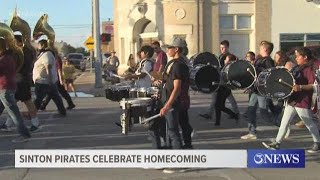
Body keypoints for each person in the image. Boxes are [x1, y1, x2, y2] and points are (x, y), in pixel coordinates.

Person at [262, 47, 320, 153]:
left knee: (309, 123)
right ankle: (277, 143)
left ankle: (317, 142)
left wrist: (300, 87)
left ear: (305, 57)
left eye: (298, 56)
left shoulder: (310, 69)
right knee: (284, 122)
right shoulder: (298, 67)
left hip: (302, 100)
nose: (296, 58)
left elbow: (314, 86)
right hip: (292, 99)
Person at [157, 37, 189, 173]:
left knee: (173, 132)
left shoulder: (177, 65)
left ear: (176, 49)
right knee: (173, 131)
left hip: (173, 103)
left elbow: (177, 88)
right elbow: (171, 82)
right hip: (173, 103)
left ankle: (178, 164)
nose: (167, 50)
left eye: (170, 47)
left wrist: (167, 105)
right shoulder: (176, 63)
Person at [0, 35, 40, 132]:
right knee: (12, 105)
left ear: (17, 42)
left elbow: (21, 66)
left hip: (21, 80)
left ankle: (35, 124)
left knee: (27, 102)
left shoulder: (23, 52)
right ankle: (8, 124)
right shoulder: (23, 51)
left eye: (12, 42)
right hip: (19, 80)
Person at [241, 40, 275, 140]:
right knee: (251, 110)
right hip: (255, 90)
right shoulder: (260, 60)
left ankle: (282, 124)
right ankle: (252, 132)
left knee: (264, 113)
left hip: (262, 90)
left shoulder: (268, 61)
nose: (259, 49)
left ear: (265, 49)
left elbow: (269, 75)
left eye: (260, 48)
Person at [0, 37, 31, 142]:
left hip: (5, 88)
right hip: (7, 87)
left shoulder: (4, 59)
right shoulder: (9, 57)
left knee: (14, 114)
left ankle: (24, 134)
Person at [199, 40, 239, 119]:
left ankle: (236, 112)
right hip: (219, 78)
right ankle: (210, 113)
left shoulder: (231, 57)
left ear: (227, 47)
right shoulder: (220, 56)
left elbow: (234, 68)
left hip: (226, 79)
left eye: (224, 48)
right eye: (221, 48)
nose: (222, 49)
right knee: (217, 97)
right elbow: (218, 66)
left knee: (228, 96)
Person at [33, 39, 66, 116]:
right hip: (47, 81)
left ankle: (32, 114)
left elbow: (48, 66)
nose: (37, 47)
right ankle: (62, 111)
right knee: (56, 97)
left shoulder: (47, 54)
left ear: (42, 45)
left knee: (38, 99)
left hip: (44, 81)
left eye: (38, 45)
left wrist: (50, 79)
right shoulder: (43, 54)